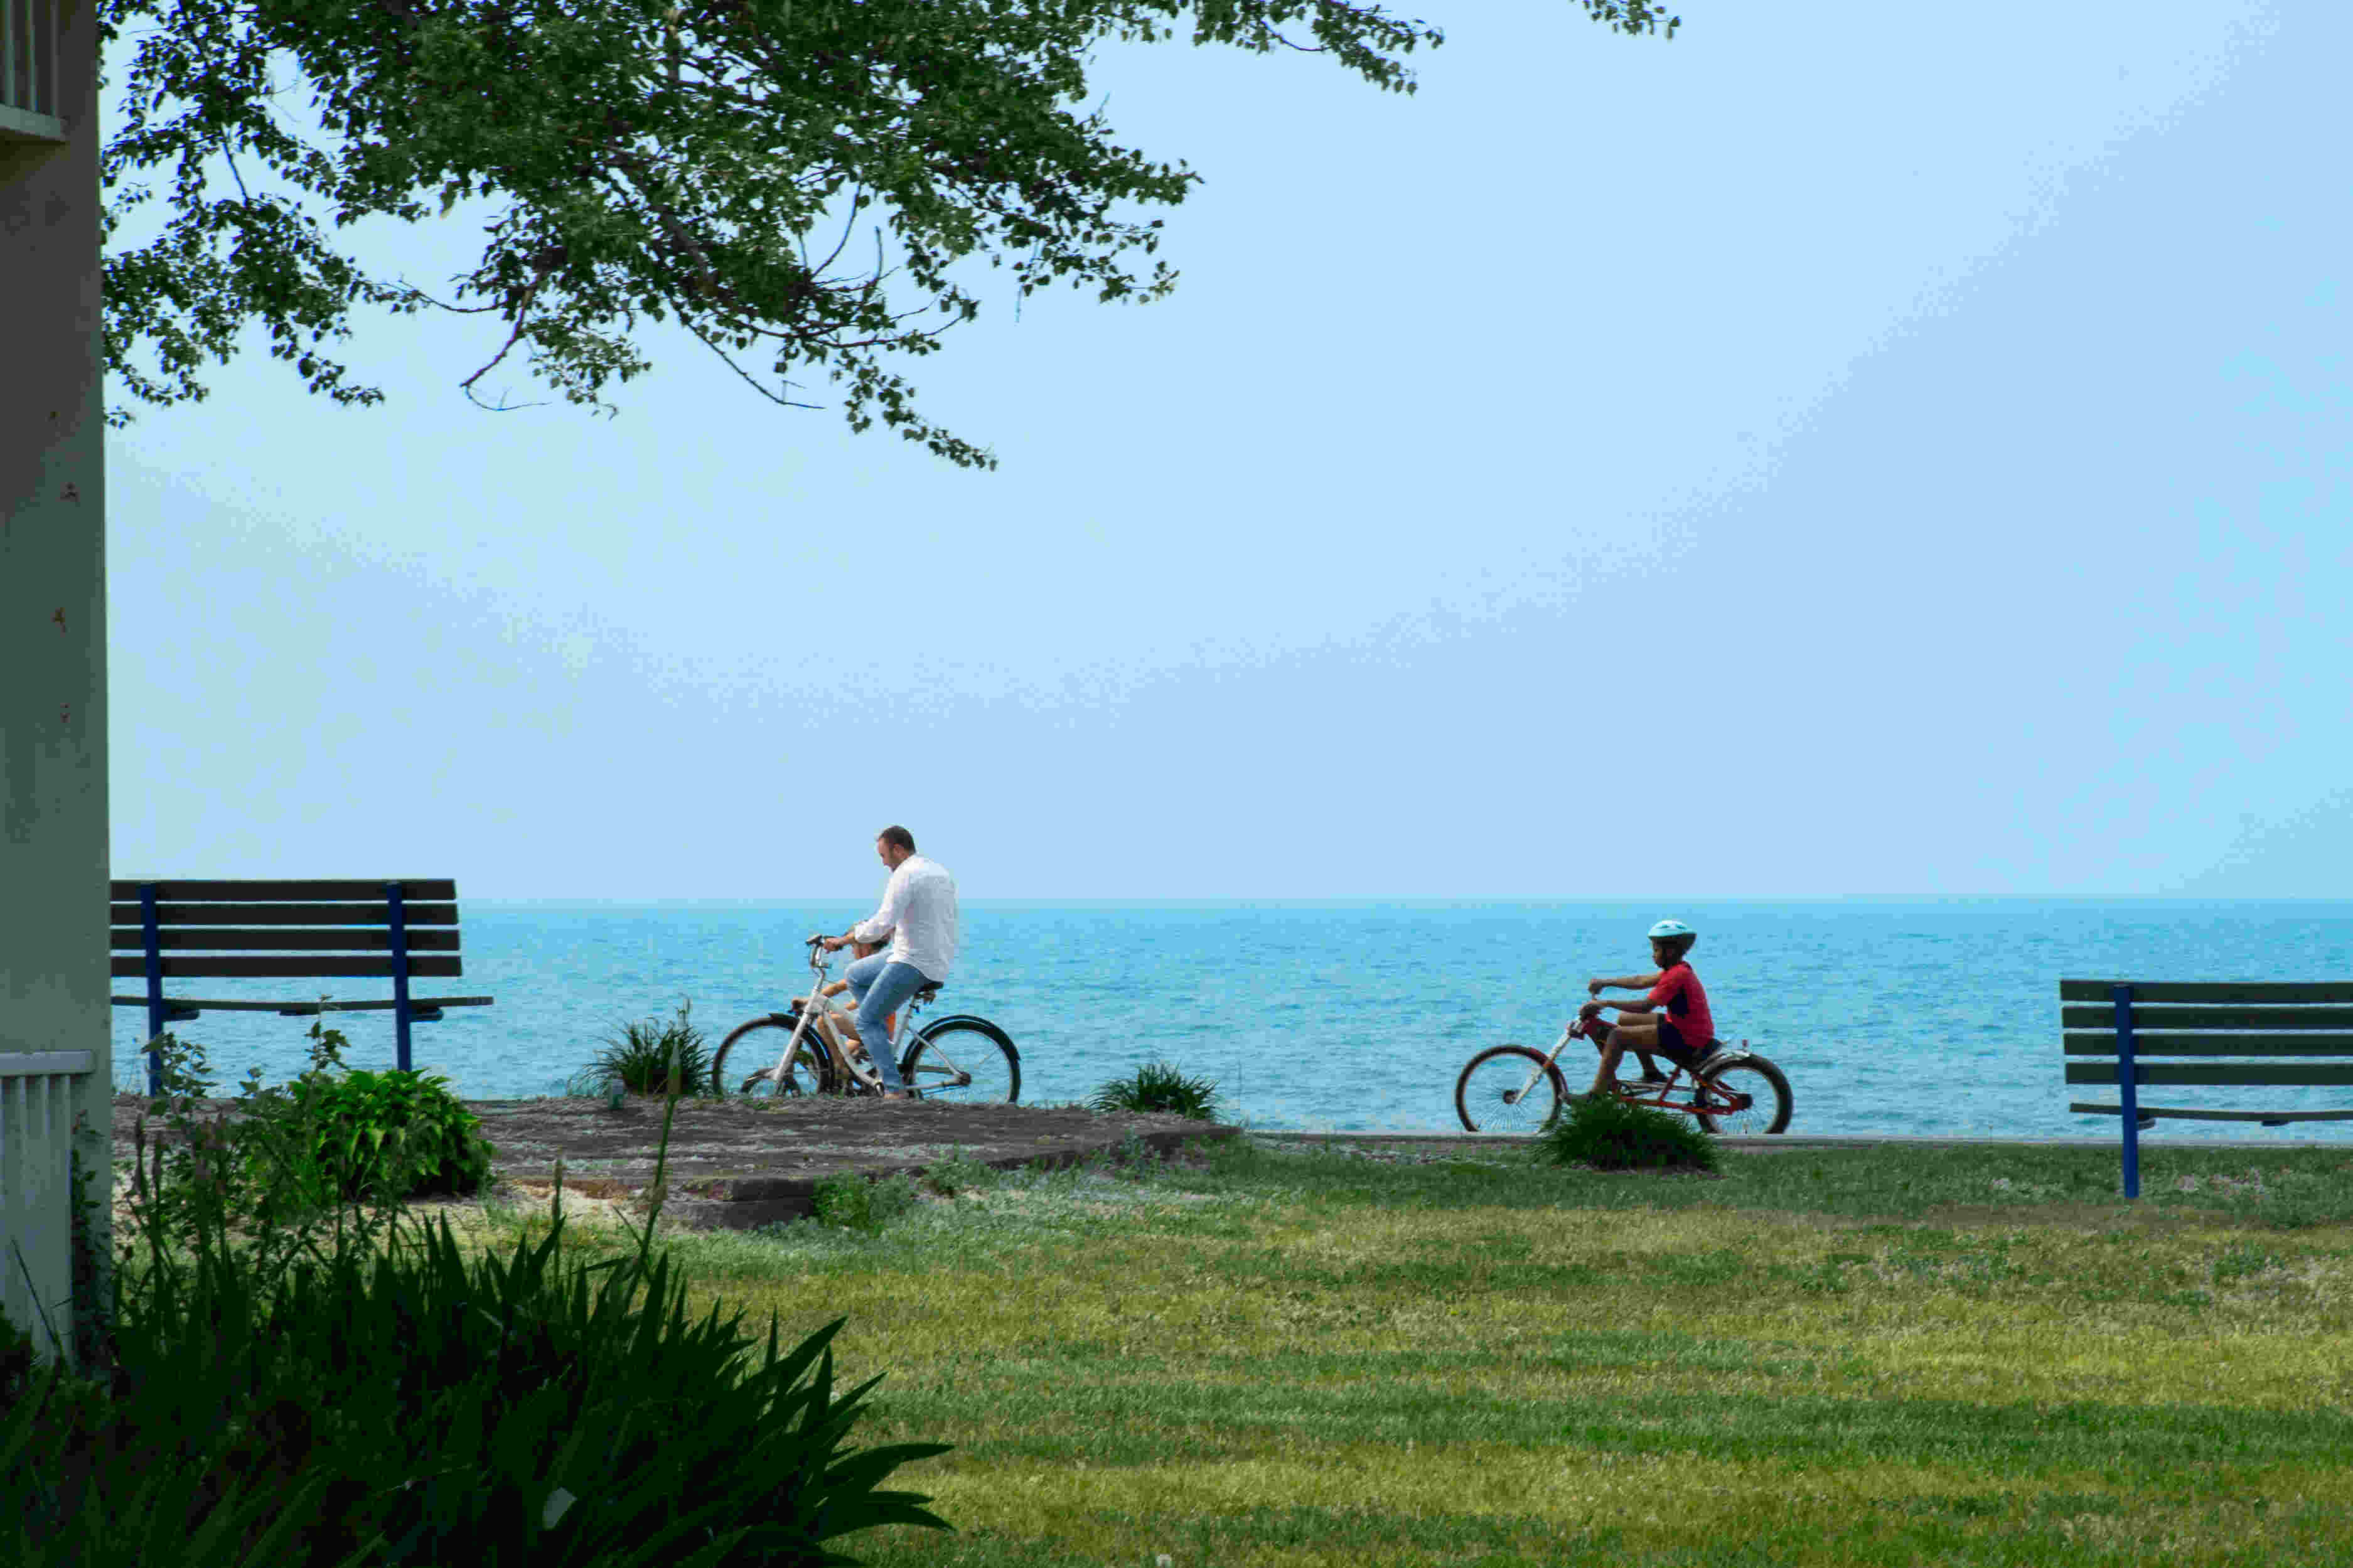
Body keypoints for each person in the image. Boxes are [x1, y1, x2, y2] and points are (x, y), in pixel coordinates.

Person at [820, 826, 958, 1099]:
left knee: (866, 1021)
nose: (883, 863)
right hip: (926, 955)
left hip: (913, 960)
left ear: (898, 849)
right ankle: (880, 1041)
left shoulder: (906, 874)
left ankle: (894, 1090)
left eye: (884, 856)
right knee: (857, 973)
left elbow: (882, 923)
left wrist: (843, 940)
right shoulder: (938, 872)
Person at [1575, 918, 1715, 1098]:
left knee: (1617, 1036)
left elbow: (1645, 1007)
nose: (1653, 955)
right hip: (1690, 1028)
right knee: (1626, 1019)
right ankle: (1651, 1072)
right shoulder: (1677, 969)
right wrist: (1606, 982)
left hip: (1687, 1037)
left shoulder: (1676, 976)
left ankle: (1596, 1094)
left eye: (1656, 950)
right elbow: (1640, 981)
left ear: (1670, 952)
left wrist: (1605, 1003)